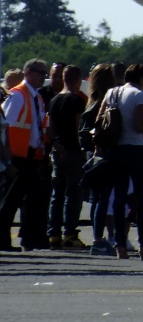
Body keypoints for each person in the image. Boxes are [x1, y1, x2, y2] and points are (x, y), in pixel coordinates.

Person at [106, 63, 143, 259]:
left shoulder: (111, 93)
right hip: (134, 148)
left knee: (119, 198)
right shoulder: (137, 95)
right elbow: (138, 125)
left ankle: (119, 243)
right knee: (141, 198)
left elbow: (102, 118)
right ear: (141, 79)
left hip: (116, 147)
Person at [0, 59, 52, 252]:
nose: (43, 77)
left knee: (33, 199)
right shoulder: (18, 95)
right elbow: (6, 127)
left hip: (31, 156)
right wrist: (8, 159)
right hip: (17, 156)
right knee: (11, 200)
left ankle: (31, 238)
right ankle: (3, 239)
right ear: (28, 72)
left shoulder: (35, 97)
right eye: (41, 73)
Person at [46, 65, 87, 250]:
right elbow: (79, 127)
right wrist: (83, 148)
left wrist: (55, 142)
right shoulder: (76, 101)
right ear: (78, 80)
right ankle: (69, 233)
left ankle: (53, 234)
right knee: (73, 193)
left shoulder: (54, 100)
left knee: (57, 193)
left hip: (58, 150)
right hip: (73, 151)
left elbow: (49, 126)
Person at [83, 63, 117, 256]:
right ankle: (98, 239)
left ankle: (97, 237)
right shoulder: (105, 103)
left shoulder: (90, 102)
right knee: (103, 199)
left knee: (96, 198)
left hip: (91, 155)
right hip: (103, 153)